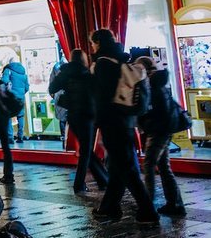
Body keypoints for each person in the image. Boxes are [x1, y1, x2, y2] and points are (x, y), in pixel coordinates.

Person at [90, 28, 158, 225]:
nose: (92, 47)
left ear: (98, 43)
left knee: (127, 169)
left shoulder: (103, 64)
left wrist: (98, 122)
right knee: (118, 167)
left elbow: (103, 98)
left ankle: (148, 212)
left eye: (93, 43)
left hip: (112, 122)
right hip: (126, 120)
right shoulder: (121, 60)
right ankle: (108, 208)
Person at [48, 48, 107, 193]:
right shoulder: (88, 74)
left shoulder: (65, 72)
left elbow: (52, 88)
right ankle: (79, 184)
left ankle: (103, 179)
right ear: (84, 59)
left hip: (73, 115)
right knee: (86, 151)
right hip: (87, 115)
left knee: (87, 150)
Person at [134, 56, 186, 216]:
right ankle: (175, 203)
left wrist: (144, 122)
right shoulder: (159, 82)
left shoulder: (150, 84)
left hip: (158, 130)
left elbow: (152, 110)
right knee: (163, 166)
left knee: (149, 165)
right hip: (164, 129)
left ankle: (148, 204)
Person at [1, 60, 30, 143]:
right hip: (21, 98)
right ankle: (20, 137)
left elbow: (4, 81)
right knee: (20, 116)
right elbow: (27, 87)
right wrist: (21, 93)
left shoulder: (8, 70)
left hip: (11, 97)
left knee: (8, 116)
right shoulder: (23, 73)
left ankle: (10, 137)